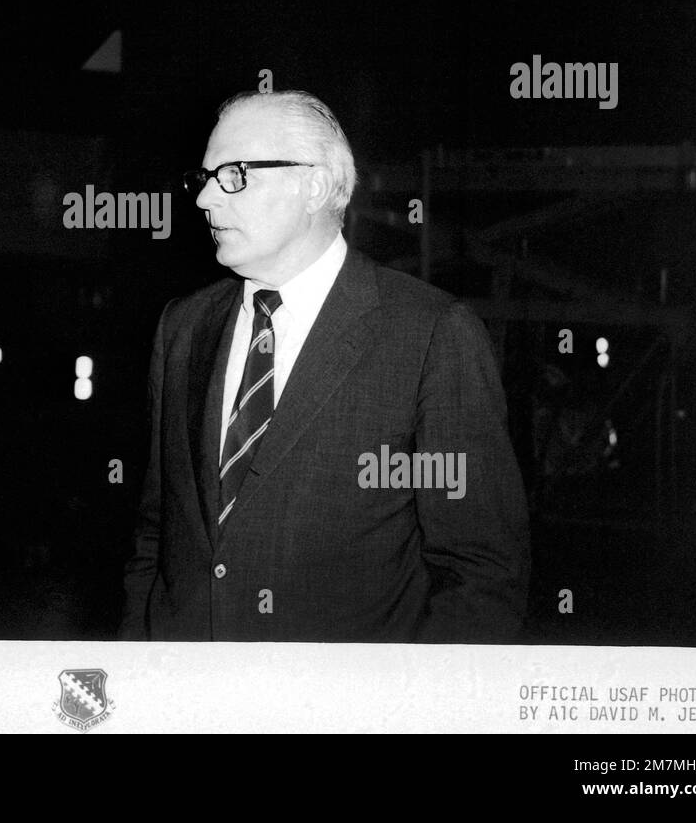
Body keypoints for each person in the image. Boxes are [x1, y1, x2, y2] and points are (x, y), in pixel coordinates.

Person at [121, 89, 530, 642]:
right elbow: (156, 536)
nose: (205, 200)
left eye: (235, 175)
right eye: (205, 178)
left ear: (313, 185)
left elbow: (481, 575)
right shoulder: (183, 326)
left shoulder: (430, 334)